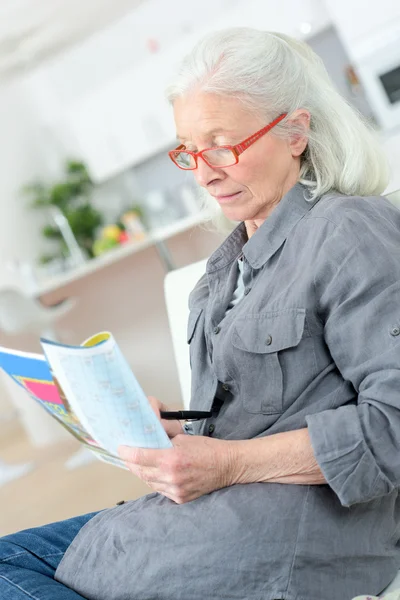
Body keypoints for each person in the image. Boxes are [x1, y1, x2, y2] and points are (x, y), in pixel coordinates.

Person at [1, 26, 400, 600]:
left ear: (295, 130)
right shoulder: (227, 266)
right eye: (190, 151)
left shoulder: (348, 232)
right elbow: (259, 408)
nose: (205, 173)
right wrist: (178, 433)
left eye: (223, 144)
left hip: (293, 533)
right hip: (221, 512)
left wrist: (230, 465)